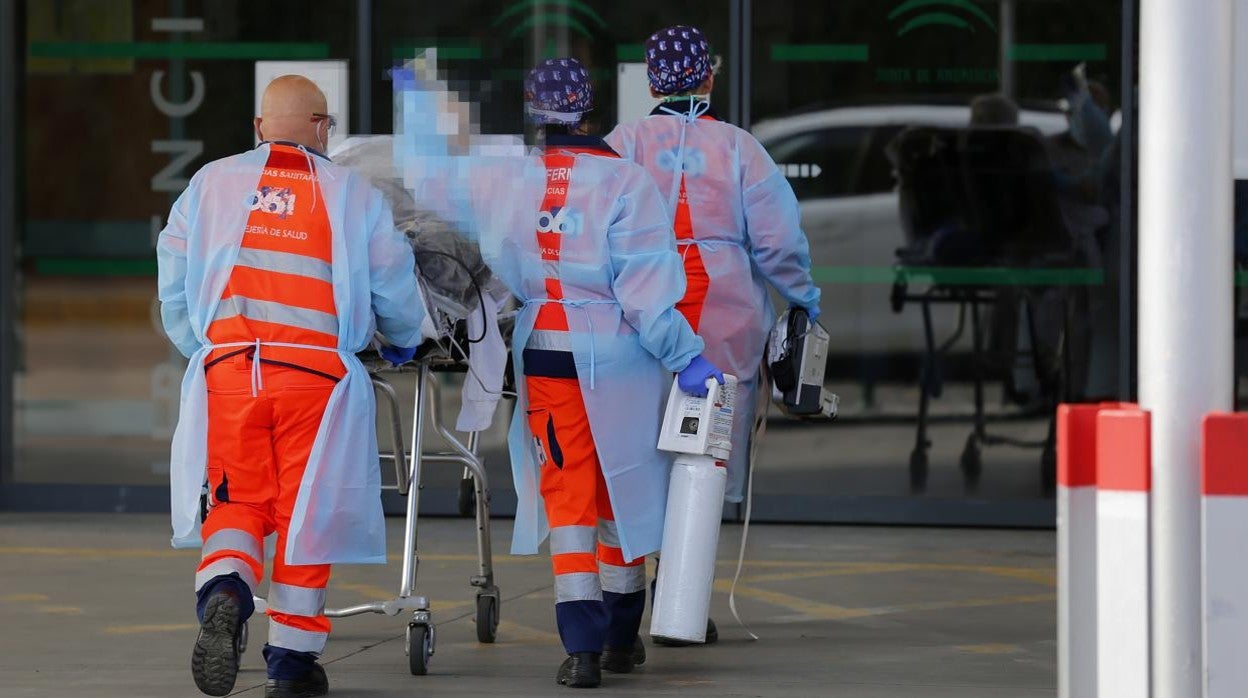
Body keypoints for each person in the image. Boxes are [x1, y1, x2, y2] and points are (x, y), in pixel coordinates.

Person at [396, 56, 723, 688]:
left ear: (533, 110)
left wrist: (420, 108)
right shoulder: (628, 184)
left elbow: (465, 228)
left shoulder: (512, 182)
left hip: (547, 355)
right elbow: (648, 296)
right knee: (622, 494)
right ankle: (623, 635)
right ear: (591, 105)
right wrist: (687, 358)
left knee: (567, 497)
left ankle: (582, 651)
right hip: (622, 361)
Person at [156, 75, 426, 698]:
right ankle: (293, 663)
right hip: (315, 384)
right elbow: (393, 285)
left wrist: (202, 350)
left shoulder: (209, 184)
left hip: (231, 373)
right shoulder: (349, 191)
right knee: (309, 518)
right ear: (320, 126)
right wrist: (407, 336)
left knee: (235, 504)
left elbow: (173, 282)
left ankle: (225, 592)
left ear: (259, 128)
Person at [605, 25, 821, 644]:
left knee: (638, 459)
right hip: (723, 324)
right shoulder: (739, 148)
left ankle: (622, 611)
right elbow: (779, 242)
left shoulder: (623, 144)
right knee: (703, 460)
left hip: (639, 325)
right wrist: (803, 299)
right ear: (708, 77)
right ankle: (682, 603)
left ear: (650, 80)